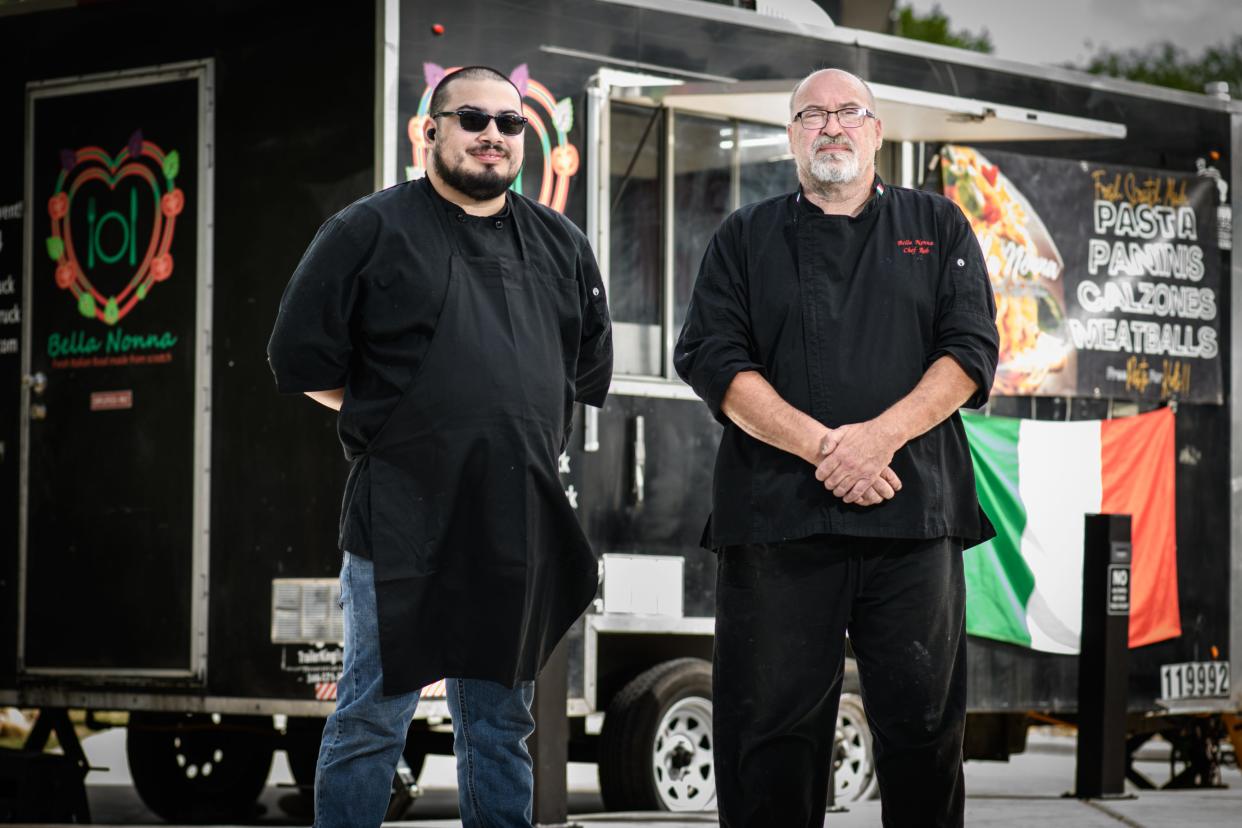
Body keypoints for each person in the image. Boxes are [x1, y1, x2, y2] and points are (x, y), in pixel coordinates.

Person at [267, 65, 612, 828]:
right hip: (401, 515)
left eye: (509, 123)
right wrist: (390, 414)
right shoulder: (367, 230)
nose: (492, 135)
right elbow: (300, 360)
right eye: (473, 119)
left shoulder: (562, 244)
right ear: (430, 130)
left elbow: (583, 371)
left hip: (514, 517)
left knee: (499, 726)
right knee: (370, 721)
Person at [674, 68, 999, 827]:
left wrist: (878, 439)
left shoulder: (940, 224)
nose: (831, 127)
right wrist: (829, 448)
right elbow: (714, 362)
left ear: (876, 131)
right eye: (812, 115)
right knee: (769, 739)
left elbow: (971, 352)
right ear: (790, 137)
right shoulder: (743, 237)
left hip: (912, 516)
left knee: (923, 733)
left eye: (849, 112)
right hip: (779, 521)